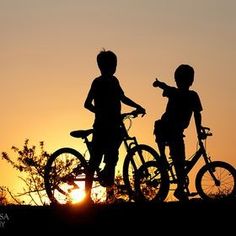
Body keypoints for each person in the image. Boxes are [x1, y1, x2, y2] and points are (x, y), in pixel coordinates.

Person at [84, 49, 145, 203]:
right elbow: (87, 104)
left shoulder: (114, 81)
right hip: (101, 126)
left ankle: (109, 196)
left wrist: (137, 106)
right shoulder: (97, 82)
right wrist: (101, 112)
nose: (114, 67)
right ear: (102, 66)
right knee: (95, 161)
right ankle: (86, 197)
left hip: (114, 125)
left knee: (112, 158)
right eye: (112, 64)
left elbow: (122, 98)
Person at [153, 64, 204, 201]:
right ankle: (162, 157)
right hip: (168, 127)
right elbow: (197, 115)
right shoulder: (180, 93)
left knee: (179, 160)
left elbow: (197, 114)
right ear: (192, 80)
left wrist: (199, 130)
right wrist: (159, 84)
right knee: (178, 160)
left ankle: (180, 188)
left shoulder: (189, 95)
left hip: (176, 130)